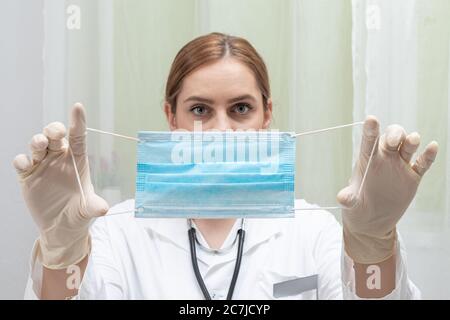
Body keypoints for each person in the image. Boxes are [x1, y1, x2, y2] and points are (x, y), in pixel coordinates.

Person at [14, 33, 438, 300]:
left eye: (240, 108)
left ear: (266, 115)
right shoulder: (118, 234)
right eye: (199, 109)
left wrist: (371, 244)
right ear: (171, 117)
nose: (222, 130)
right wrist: (61, 249)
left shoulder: (311, 230)